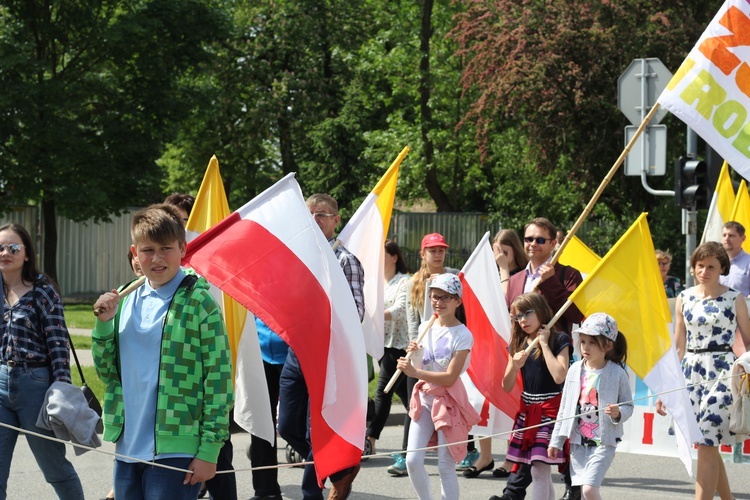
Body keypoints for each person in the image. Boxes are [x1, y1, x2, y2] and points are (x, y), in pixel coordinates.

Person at [92, 204, 234, 499]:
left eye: (166, 248)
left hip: (177, 447)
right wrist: (104, 326)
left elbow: (219, 381)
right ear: (134, 252)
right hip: (127, 445)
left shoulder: (200, 302)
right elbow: (107, 372)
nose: (156, 258)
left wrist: (210, 450)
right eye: (147, 250)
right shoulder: (123, 299)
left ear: (182, 248)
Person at [277, 193, 365, 500]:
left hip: (327, 358)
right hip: (296, 352)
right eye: (310, 214)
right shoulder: (296, 258)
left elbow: (356, 313)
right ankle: (338, 468)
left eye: (322, 214)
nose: (315, 219)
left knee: (316, 430)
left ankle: (311, 491)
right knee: (286, 426)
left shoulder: (345, 261)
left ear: (336, 220)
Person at [656, 241, 750, 500]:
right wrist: (667, 390)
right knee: (708, 445)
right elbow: (678, 348)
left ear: (722, 268)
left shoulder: (735, 298)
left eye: (711, 266)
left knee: (708, 441)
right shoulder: (684, 298)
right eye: (700, 265)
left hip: (722, 373)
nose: (704, 271)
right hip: (691, 374)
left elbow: (749, 343)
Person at [0, 223, 84, 500]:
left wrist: (61, 389)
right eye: (0, 247)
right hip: (1, 384)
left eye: (13, 247)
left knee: (55, 469)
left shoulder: (43, 291)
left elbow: (59, 346)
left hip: (35, 386)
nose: (5, 252)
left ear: (26, 254)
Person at [503, 218, 584, 500]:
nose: (532, 244)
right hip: (529, 362)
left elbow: (576, 316)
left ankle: (573, 487)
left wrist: (550, 283)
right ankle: (514, 491)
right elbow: (513, 320)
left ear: (553, 243)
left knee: (552, 445)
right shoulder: (515, 279)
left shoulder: (567, 274)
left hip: (556, 356)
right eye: (528, 239)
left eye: (540, 239)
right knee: (535, 452)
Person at [165, 192, 238, 500]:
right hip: (169, 403)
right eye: (176, 223)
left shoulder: (210, 272)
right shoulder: (156, 269)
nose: (182, 229)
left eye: (186, 223)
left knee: (218, 459)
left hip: (202, 387)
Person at [387, 232, 470, 476]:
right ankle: (407, 454)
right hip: (423, 347)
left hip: (448, 348)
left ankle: (465, 449)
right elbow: (413, 319)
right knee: (416, 403)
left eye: (441, 249)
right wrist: (416, 347)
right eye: (432, 250)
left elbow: (462, 310)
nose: (438, 254)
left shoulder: (455, 275)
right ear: (423, 254)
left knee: (455, 406)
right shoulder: (414, 282)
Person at [396, 273, 481, 500]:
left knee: (445, 465)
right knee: (412, 460)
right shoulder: (426, 325)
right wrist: (413, 357)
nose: (438, 302)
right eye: (434, 297)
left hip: (449, 402)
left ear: (457, 301)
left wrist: (414, 372)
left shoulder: (463, 335)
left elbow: (450, 377)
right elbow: (419, 363)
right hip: (425, 400)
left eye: (445, 297)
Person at [489, 293, 571, 500]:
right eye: (518, 316)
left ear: (540, 310)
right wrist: (514, 366)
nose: (523, 320)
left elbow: (559, 376)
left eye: (527, 313)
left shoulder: (559, 338)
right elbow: (506, 386)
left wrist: (543, 344)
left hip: (551, 411)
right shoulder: (518, 342)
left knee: (539, 468)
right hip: (527, 412)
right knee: (538, 468)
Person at [463, 229, 530, 479]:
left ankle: (510, 457)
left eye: (504, 249)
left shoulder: (521, 276)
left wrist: (503, 269)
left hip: (514, 345)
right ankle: (485, 455)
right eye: (495, 249)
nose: (499, 254)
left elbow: (506, 304)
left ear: (514, 249)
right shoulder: (488, 277)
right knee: (485, 401)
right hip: (490, 349)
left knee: (511, 401)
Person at [548, 313, 633, 500]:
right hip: (578, 443)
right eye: (583, 341)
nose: (586, 347)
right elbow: (565, 408)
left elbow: (628, 405)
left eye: (592, 342)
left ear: (608, 345)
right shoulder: (574, 369)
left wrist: (618, 413)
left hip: (604, 442)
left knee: (589, 490)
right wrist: (556, 441)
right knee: (585, 493)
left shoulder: (617, 373)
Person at [366, 240, 410, 456]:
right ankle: (428, 429)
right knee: (408, 398)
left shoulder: (405, 282)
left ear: (394, 257)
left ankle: (370, 439)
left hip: (399, 346)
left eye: (383, 255)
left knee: (383, 390)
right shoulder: (376, 284)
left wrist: (375, 315)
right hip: (382, 345)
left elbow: (400, 310)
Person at [719, 221, 750, 297]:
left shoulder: (748, 263)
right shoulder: (715, 262)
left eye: (731, 235)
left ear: (743, 238)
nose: (727, 238)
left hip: (742, 307)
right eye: (724, 235)